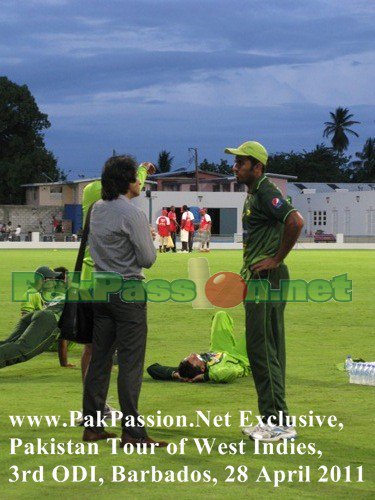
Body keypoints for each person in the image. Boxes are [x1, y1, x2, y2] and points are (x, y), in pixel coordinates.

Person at [82, 155, 166, 448]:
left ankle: (92, 426)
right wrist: (149, 239)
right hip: (128, 291)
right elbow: (148, 259)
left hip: (100, 289)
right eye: (136, 177)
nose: (139, 182)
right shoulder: (132, 214)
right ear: (127, 182)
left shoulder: (96, 210)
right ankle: (133, 433)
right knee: (130, 364)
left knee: (100, 361)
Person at [225, 140, 304, 442]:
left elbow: (295, 221)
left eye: (241, 163)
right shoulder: (255, 193)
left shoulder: (266, 191)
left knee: (262, 349)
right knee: (267, 348)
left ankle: (278, 423)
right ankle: (275, 419)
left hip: (266, 279)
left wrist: (276, 258)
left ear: (257, 167)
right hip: (262, 278)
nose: (235, 168)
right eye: (236, 163)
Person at [147, 311, 250, 383]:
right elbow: (230, 373)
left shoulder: (186, 370)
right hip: (242, 358)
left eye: (188, 356)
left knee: (220, 316)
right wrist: (205, 377)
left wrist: (176, 374)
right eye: (194, 359)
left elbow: (152, 369)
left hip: (219, 349)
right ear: (202, 368)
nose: (192, 354)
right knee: (254, 328)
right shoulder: (217, 369)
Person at [0, 268, 68, 369]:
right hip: (47, 318)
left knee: (9, 342)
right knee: (24, 348)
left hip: (36, 315)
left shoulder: (58, 296)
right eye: (53, 279)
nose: (56, 281)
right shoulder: (72, 298)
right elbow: (64, 335)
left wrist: (64, 363)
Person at [20, 266, 73, 367]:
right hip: (42, 340)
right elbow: (25, 321)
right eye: (52, 279)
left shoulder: (54, 296)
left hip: (54, 338)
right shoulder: (32, 295)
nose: (54, 281)